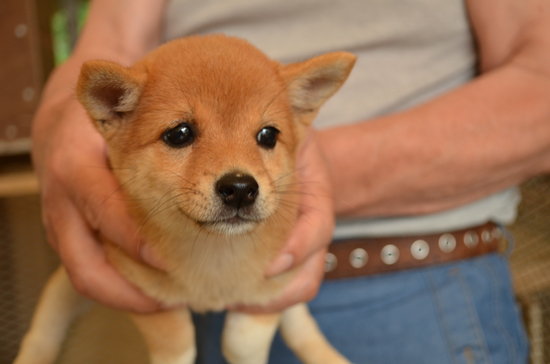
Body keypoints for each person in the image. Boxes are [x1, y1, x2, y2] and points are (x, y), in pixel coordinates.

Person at [32, 0, 550, 362]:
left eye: (265, 134)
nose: (236, 174)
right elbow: (113, 34)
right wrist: (59, 124)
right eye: (182, 134)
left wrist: (321, 174)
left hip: (411, 293)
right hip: (170, 275)